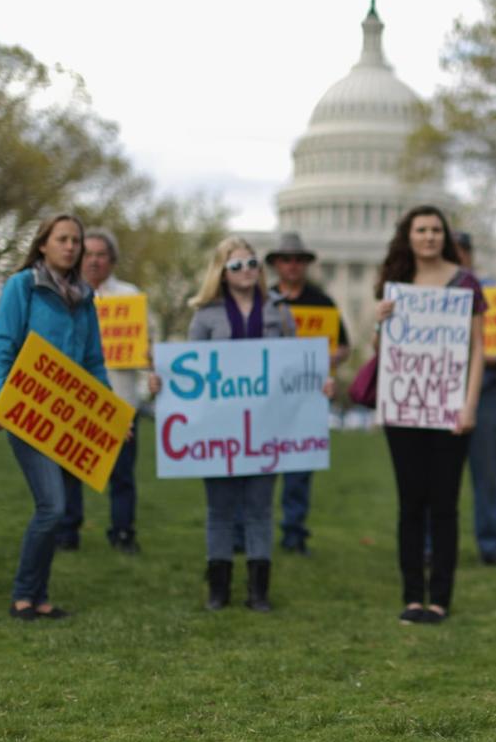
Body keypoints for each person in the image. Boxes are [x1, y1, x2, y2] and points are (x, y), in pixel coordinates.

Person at [0, 213, 108, 620]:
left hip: (68, 420)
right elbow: (2, 345)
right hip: (27, 412)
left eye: (76, 240)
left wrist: (111, 417)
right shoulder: (23, 287)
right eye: (62, 239)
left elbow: (93, 362)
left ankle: (39, 597)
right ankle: (23, 594)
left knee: (55, 509)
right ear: (42, 244)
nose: (71, 247)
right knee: (52, 506)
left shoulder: (85, 297)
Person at [173, 237, 303, 612]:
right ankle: (219, 588)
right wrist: (162, 382)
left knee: (261, 508)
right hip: (219, 427)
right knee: (220, 509)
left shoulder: (279, 311)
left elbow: (294, 363)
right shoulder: (206, 315)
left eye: (252, 263)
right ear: (221, 272)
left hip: (267, 424)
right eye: (236, 265)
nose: (246, 270)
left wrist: (315, 383)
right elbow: (189, 371)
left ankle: (258, 591)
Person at [373, 206, 486, 625]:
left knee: (444, 505)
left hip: (449, 409)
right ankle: (411, 596)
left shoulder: (465, 283)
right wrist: (377, 321)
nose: (429, 236)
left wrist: (469, 405)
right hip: (405, 409)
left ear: (446, 237)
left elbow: (478, 350)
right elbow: (385, 352)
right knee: (410, 504)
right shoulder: (396, 286)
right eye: (421, 230)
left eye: (436, 229)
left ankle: (439, 597)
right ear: (408, 236)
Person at [57, 229, 144, 554]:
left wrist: (148, 358)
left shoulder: (130, 296)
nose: (93, 260)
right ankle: (68, 532)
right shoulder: (64, 294)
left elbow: (145, 347)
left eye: (100, 254)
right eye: (88, 253)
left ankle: (123, 533)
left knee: (121, 475)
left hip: (120, 400)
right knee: (69, 471)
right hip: (75, 399)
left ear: (112, 260)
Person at [265, 231, 350, 557]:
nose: (292, 265)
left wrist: (327, 358)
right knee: (262, 462)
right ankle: (251, 529)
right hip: (269, 395)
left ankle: (294, 531)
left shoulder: (322, 302)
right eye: (286, 259)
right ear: (276, 264)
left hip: (307, 397)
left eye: (298, 260)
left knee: (300, 467)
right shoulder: (264, 299)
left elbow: (343, 346)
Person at [453, 231, 496, 567]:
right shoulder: (432, 292)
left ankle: (491, 546)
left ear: (469, 254)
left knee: (487, 476)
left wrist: (495, 357)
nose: (457, 257)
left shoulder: (494, 291)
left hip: (487, 393)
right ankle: (434, 546)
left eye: (461, 251)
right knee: (440, 477)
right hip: (443, 393)